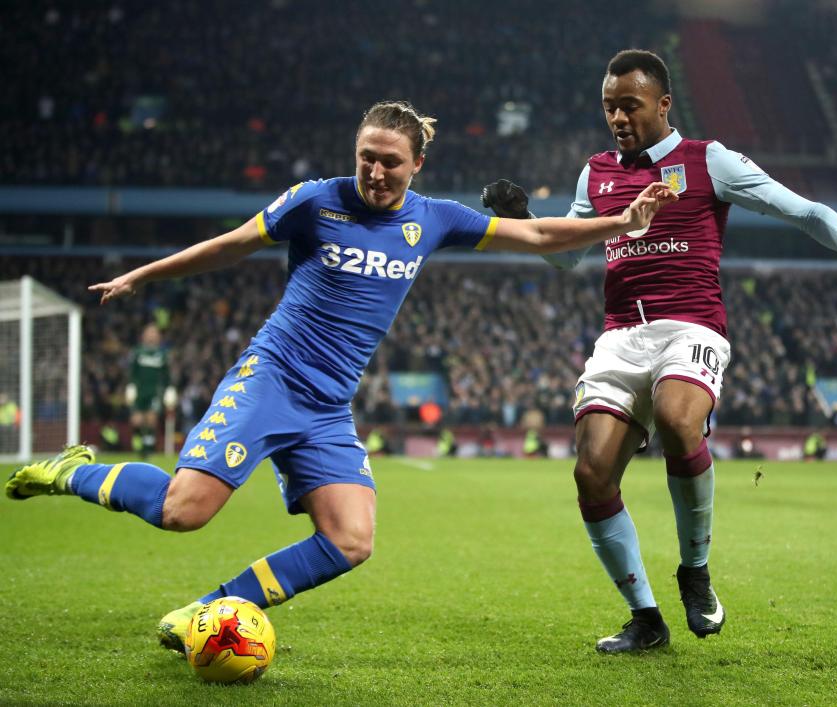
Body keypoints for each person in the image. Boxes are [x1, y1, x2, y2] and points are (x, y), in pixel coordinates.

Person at [6, 100, 676, 655]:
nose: (376, 172)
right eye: (366, 158)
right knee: (184, 511)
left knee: (352, 539)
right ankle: (70, 470)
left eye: (390, 161)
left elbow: (535, 237)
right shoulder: (315, 201)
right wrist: (141, 275)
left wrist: (620, 221)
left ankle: (209, 612)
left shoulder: (433, 218)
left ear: (418, 164)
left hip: (327, 407)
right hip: (271, 378)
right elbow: (229, 244)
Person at [481, 49, 837, 654]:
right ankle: (646, 618)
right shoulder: (597, 173)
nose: (617, 117)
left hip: (690, 326)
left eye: (630, 106)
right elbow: (567, 256)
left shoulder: (707, 160)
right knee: (590, 475)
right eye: (609, 106)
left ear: (663, 105)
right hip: (619, 336)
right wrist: (521, 217)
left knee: (676, 418)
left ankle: (694, 570)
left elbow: (801, 210)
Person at [127, 323, 176, 457]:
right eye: (149, 332)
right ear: (144, 335)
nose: (151, 335)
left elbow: (167, 375)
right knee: (136, 420)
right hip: (139, 391)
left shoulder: (162, 354)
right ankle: (139, 444)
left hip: (155, 392)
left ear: (158, 336)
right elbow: (132, 373)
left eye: (154, 333)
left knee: (151, 419)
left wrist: (170, 389)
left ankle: (148, 449)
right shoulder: (137, 352)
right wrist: (130, 386)